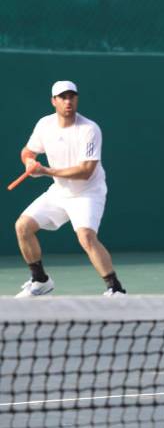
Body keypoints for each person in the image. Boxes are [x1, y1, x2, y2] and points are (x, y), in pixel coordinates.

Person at [14, 80, 126, 298]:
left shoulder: (89, 129)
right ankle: (40, 280)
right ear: (53, 101)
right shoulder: (44, 125)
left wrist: (45, 170)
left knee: (86, 236)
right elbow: (27, 152)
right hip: (60, 191)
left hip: (88, 193)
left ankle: (115, 288)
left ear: (76, 99)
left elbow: (86, 170)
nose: (68, 101)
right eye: (62, 97)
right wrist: (29, 163)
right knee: (23, 226)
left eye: (71, 96)